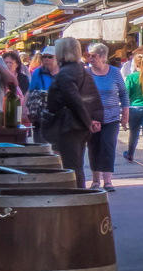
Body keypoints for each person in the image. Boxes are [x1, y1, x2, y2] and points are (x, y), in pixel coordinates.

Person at [42, 38, 102, 188]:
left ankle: (76, 198)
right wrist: (94, 119)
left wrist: (88, 121)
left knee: (72, 166)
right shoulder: (82, 70)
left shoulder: (65, 73)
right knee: (77, 164)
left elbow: (73, 100)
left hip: (69, 126)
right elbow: (94, 97)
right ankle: (78, 194)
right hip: (80, 126)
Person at [85, 43, 126, 191]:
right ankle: (95, 181)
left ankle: (107, 181)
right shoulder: (87, 73)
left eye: (93, 55)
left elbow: (123, 93)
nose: (89, 58)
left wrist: (125, 113)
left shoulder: (115, 72)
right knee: (94, 147)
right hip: (93, 117)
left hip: (112, 117)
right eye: (88, 55)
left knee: (108, 147)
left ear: (102, 56)